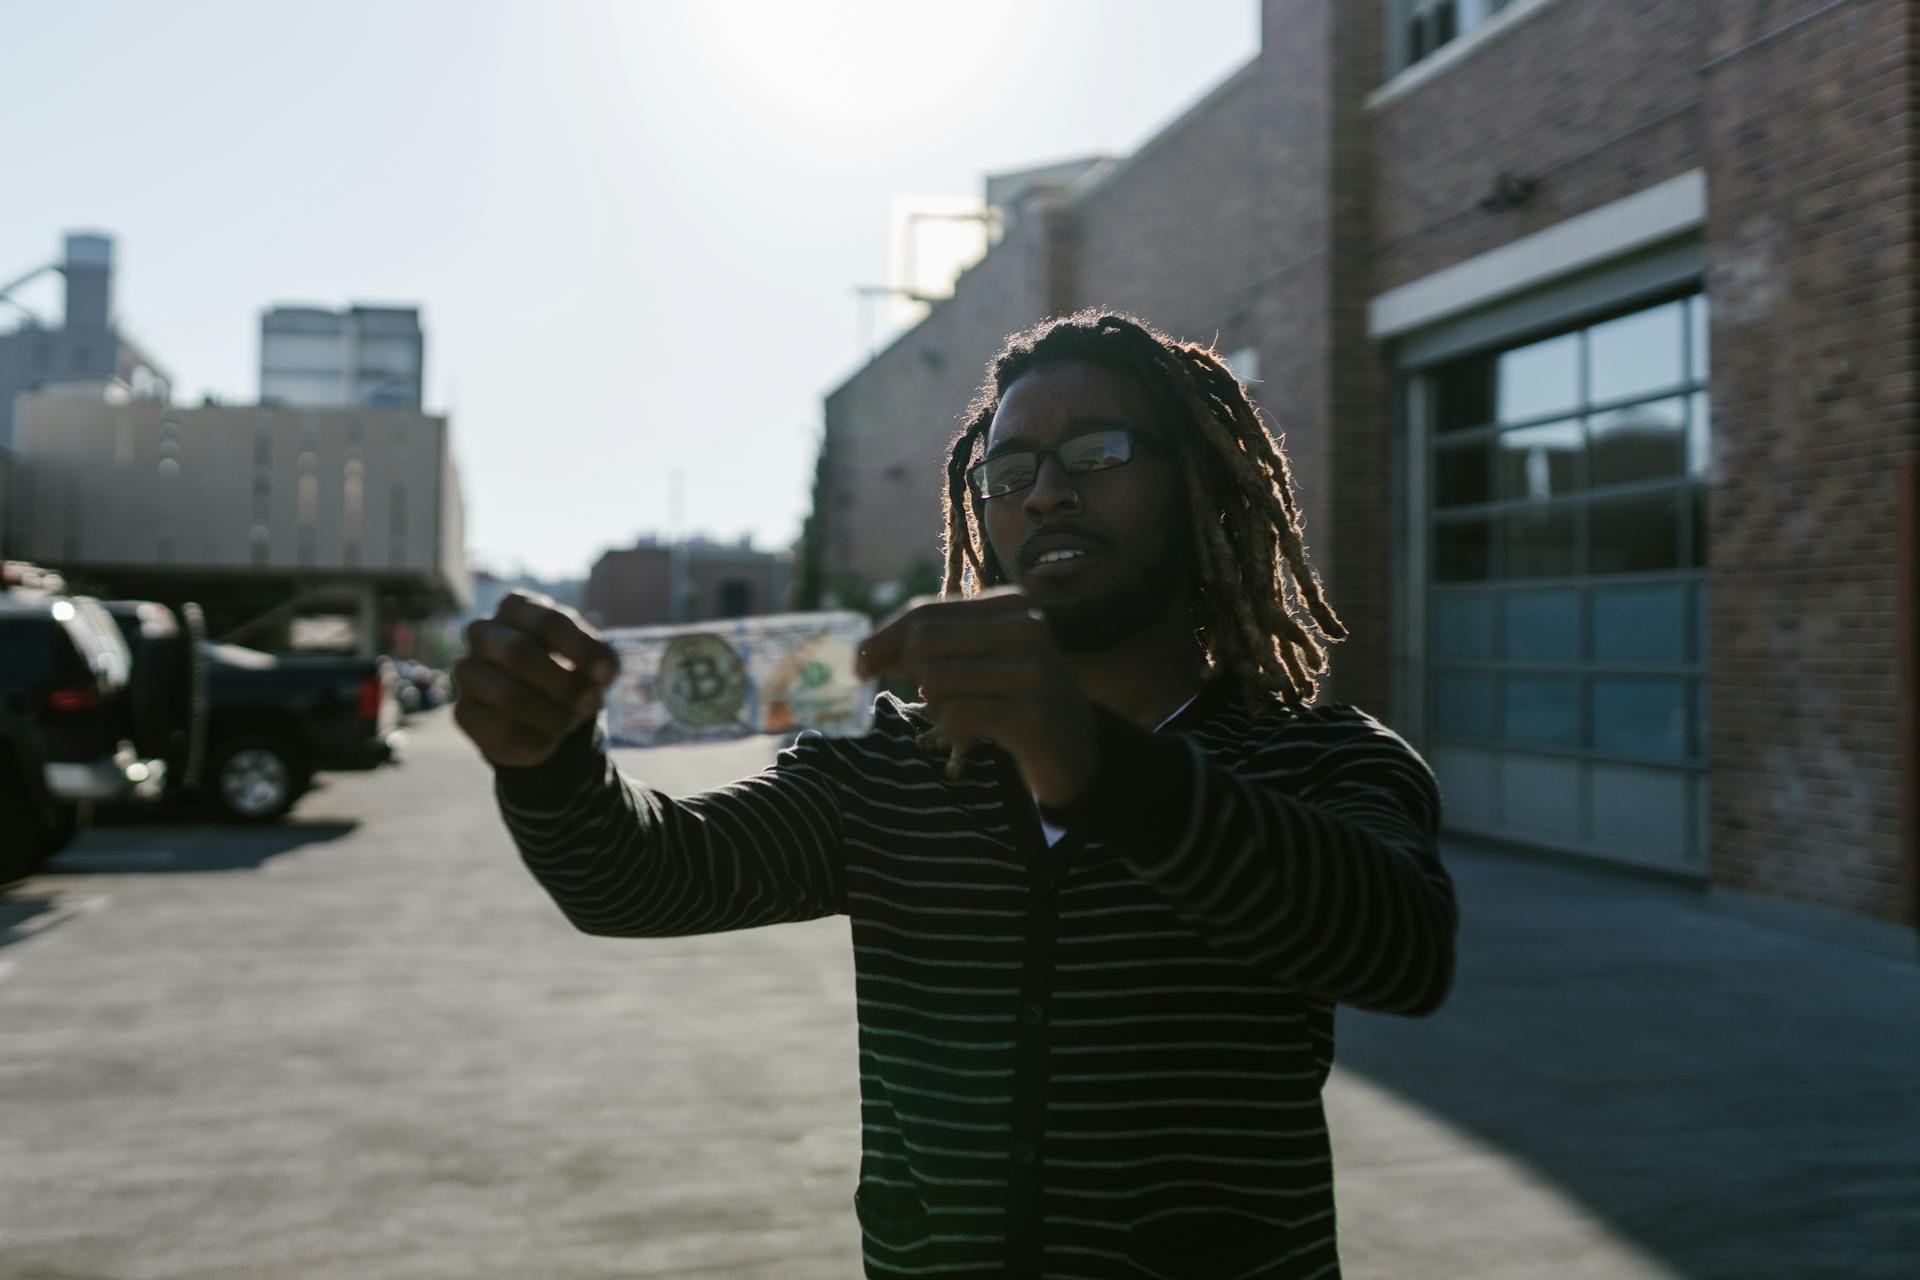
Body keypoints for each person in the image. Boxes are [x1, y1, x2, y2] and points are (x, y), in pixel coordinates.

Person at [453, 310, 1457, 1279]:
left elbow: (1401, 947)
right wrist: (548, 760)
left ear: (1201, 483)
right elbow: (637, 881)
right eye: (1007, 472)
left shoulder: (1322, 760)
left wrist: (1094, 760)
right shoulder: (892, 763)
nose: (1046, 493)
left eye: (1098, 452)